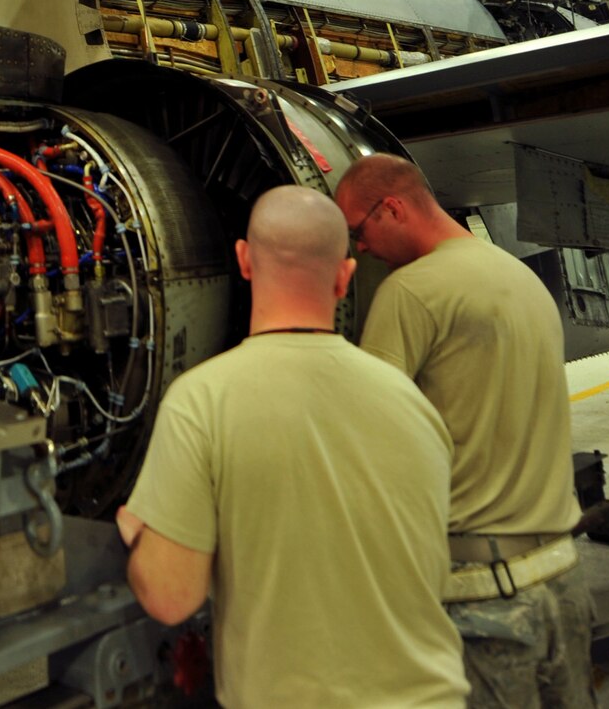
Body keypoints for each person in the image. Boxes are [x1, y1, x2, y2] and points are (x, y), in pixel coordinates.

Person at [117, 184, 467, 709]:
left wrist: (143, 536)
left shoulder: (202, 402)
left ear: (244, 261)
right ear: (345, 278)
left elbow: (171, 598)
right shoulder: (412, 403)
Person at [333, 153, 597, 709]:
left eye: (358, 230)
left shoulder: (410, 294)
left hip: (484, 595)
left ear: (394, 208)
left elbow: (365, 448)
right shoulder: (517, 276)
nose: (358, 247)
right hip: (563, 581)